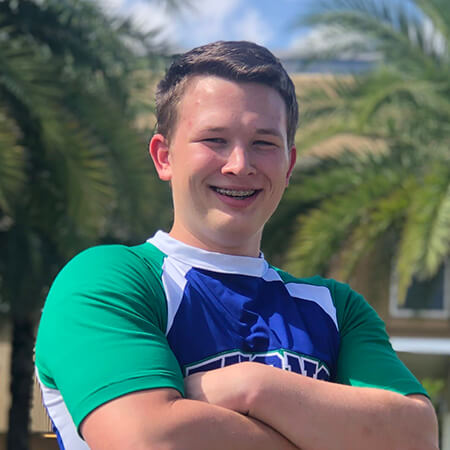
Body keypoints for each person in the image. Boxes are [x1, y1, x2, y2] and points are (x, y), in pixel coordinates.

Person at [35, 40, 438, 450]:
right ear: (164, 157)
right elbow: (149, 439)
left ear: (289, 165)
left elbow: (416, 436)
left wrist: (250, 385)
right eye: (214, 139)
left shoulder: (336, 308)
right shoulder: (109, 280)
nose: (239, 164)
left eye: (264, 143)